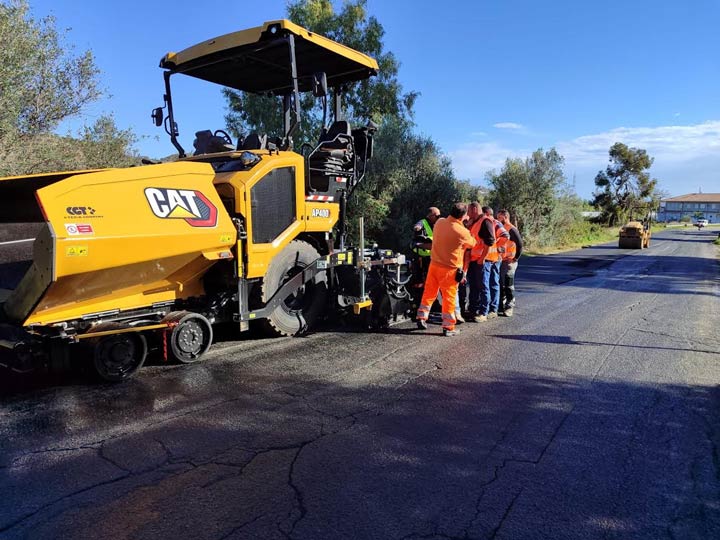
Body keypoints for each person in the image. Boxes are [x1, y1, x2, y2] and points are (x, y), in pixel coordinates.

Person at [416, 203, 476, 336]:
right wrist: (464, 224)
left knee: (429, 293)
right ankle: (448, 327)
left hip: (434, 265)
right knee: (449, 297)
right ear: (463, 216)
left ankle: (421, 317)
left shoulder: (440, 222)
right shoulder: (462, 231)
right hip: (450, 269)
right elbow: (472, 243)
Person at [497, 210, 523, 317]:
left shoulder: (511, 229)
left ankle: (509, 306)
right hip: (501, 260)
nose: (497, 219)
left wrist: (515, 258)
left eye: (499, 217)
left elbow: (520, 244)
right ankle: (501, 305)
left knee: (508, 284)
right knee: (501, 284)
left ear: (505, 217)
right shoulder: (501, 228)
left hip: (509, 262)